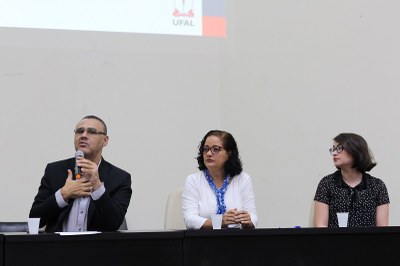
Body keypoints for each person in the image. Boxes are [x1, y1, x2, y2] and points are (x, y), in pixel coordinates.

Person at [29, 115, 132, 232]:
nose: (83, 135)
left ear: (105, 140)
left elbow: (113, 224)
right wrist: (63, 194)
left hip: (95, 248)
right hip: (59, 248)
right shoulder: (54, 170)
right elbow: (35, 219)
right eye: (79, 131)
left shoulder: (120, 178)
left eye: (91, 132)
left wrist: (97, 186)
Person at [182, 130, 257, 229]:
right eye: (206, 149)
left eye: (215, 149)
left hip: (237, 240)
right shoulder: (193, 180)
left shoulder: (243, 179)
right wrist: (218, 222)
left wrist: (247, 221)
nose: (209, 153)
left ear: (229, 153)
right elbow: (189, 220)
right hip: (203, 241)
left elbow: (253, 217)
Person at [313, 133, 389, 227]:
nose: (335, 153)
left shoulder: (377, 186)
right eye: (333, 149)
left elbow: (382, 230)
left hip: (369, 241)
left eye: (339, 148)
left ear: (355, 151)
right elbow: (320, 227)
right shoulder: (326, 183)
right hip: (334, 241)